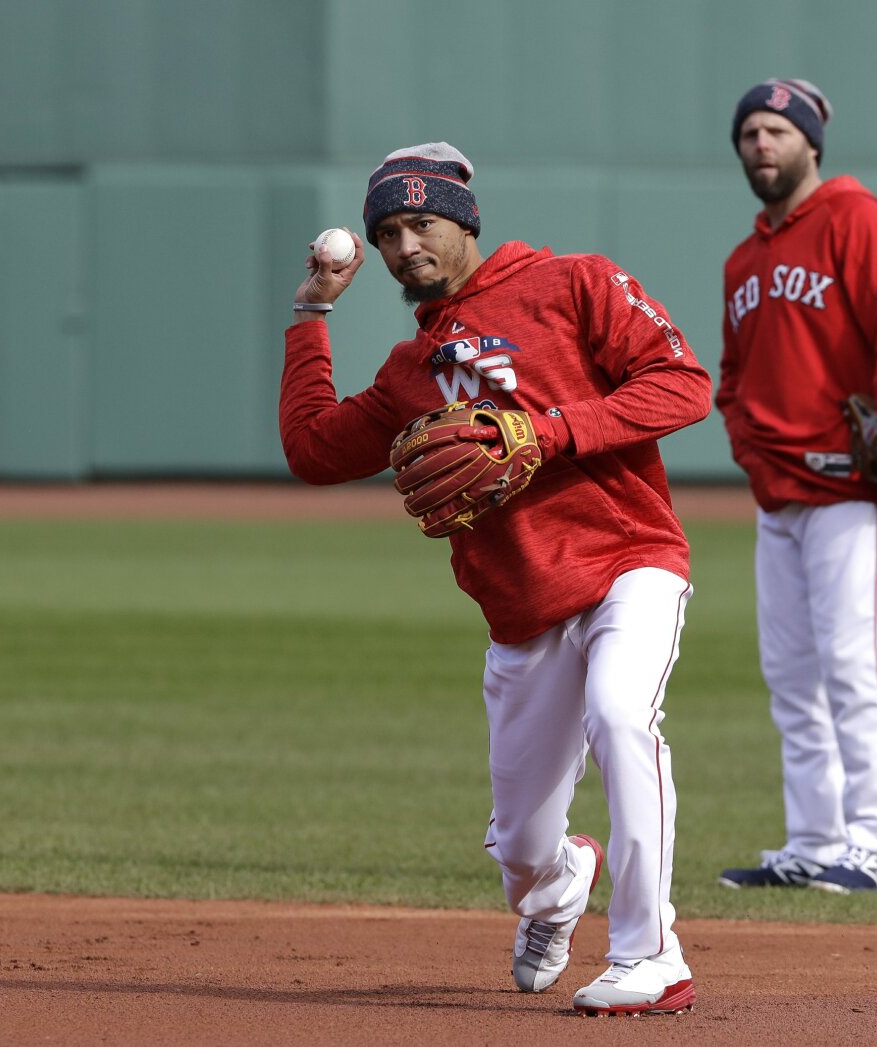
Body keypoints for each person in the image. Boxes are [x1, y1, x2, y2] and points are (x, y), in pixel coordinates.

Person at [280, 143, 713, 1015]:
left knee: (625, 714)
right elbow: (313, 449)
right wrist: (309, 312)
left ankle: (650, 952)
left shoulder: (573, 284)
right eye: (388, 232)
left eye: (422, 223)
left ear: (465, 221)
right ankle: (559, 886)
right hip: (521, 611)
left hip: (630, 558)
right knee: (521, 847)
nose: (405, 246)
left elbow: (684, 384)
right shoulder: (410, 374)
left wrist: (549, 431)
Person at [715, 80, 877, 893]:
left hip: (854, 490)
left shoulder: (860, 222)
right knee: (792, 672)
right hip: (780, 495)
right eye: (749, 133)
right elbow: (733, 378)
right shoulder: (745, 259)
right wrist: (749, 451)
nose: (761, 145)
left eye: (777, 130)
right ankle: (814, 838)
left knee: (856, 660)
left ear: (812, 142)